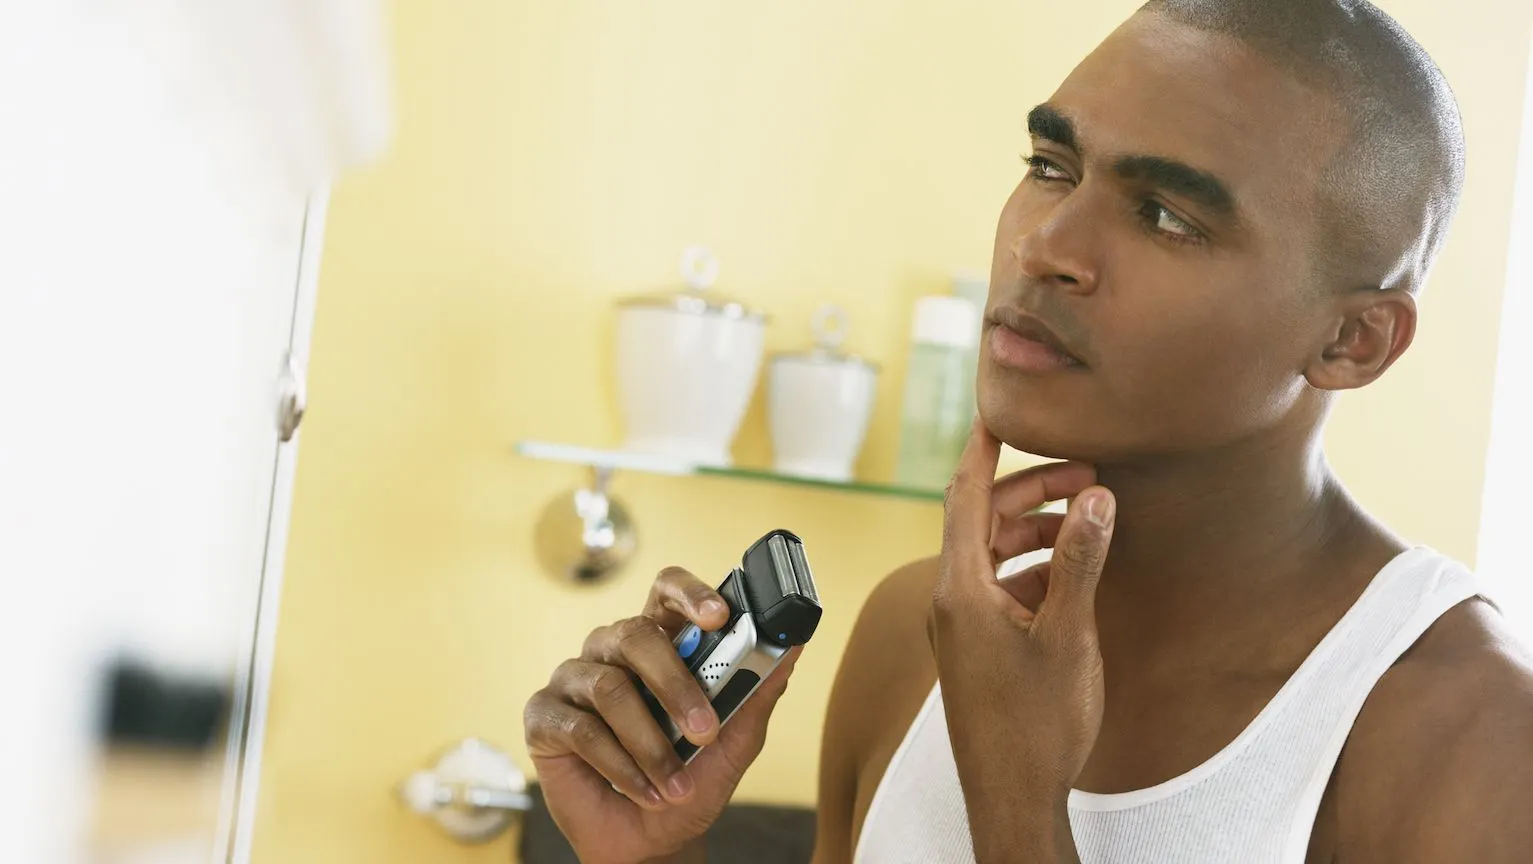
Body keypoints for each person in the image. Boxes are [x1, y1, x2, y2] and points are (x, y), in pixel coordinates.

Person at [521, 0, 1533, 860]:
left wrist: (1013, 803)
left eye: (1166, 214)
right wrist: (657, 851)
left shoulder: (1469, 737)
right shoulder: (914, 632)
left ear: (1354, 340)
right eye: (1052, 163)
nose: (1046, 245)